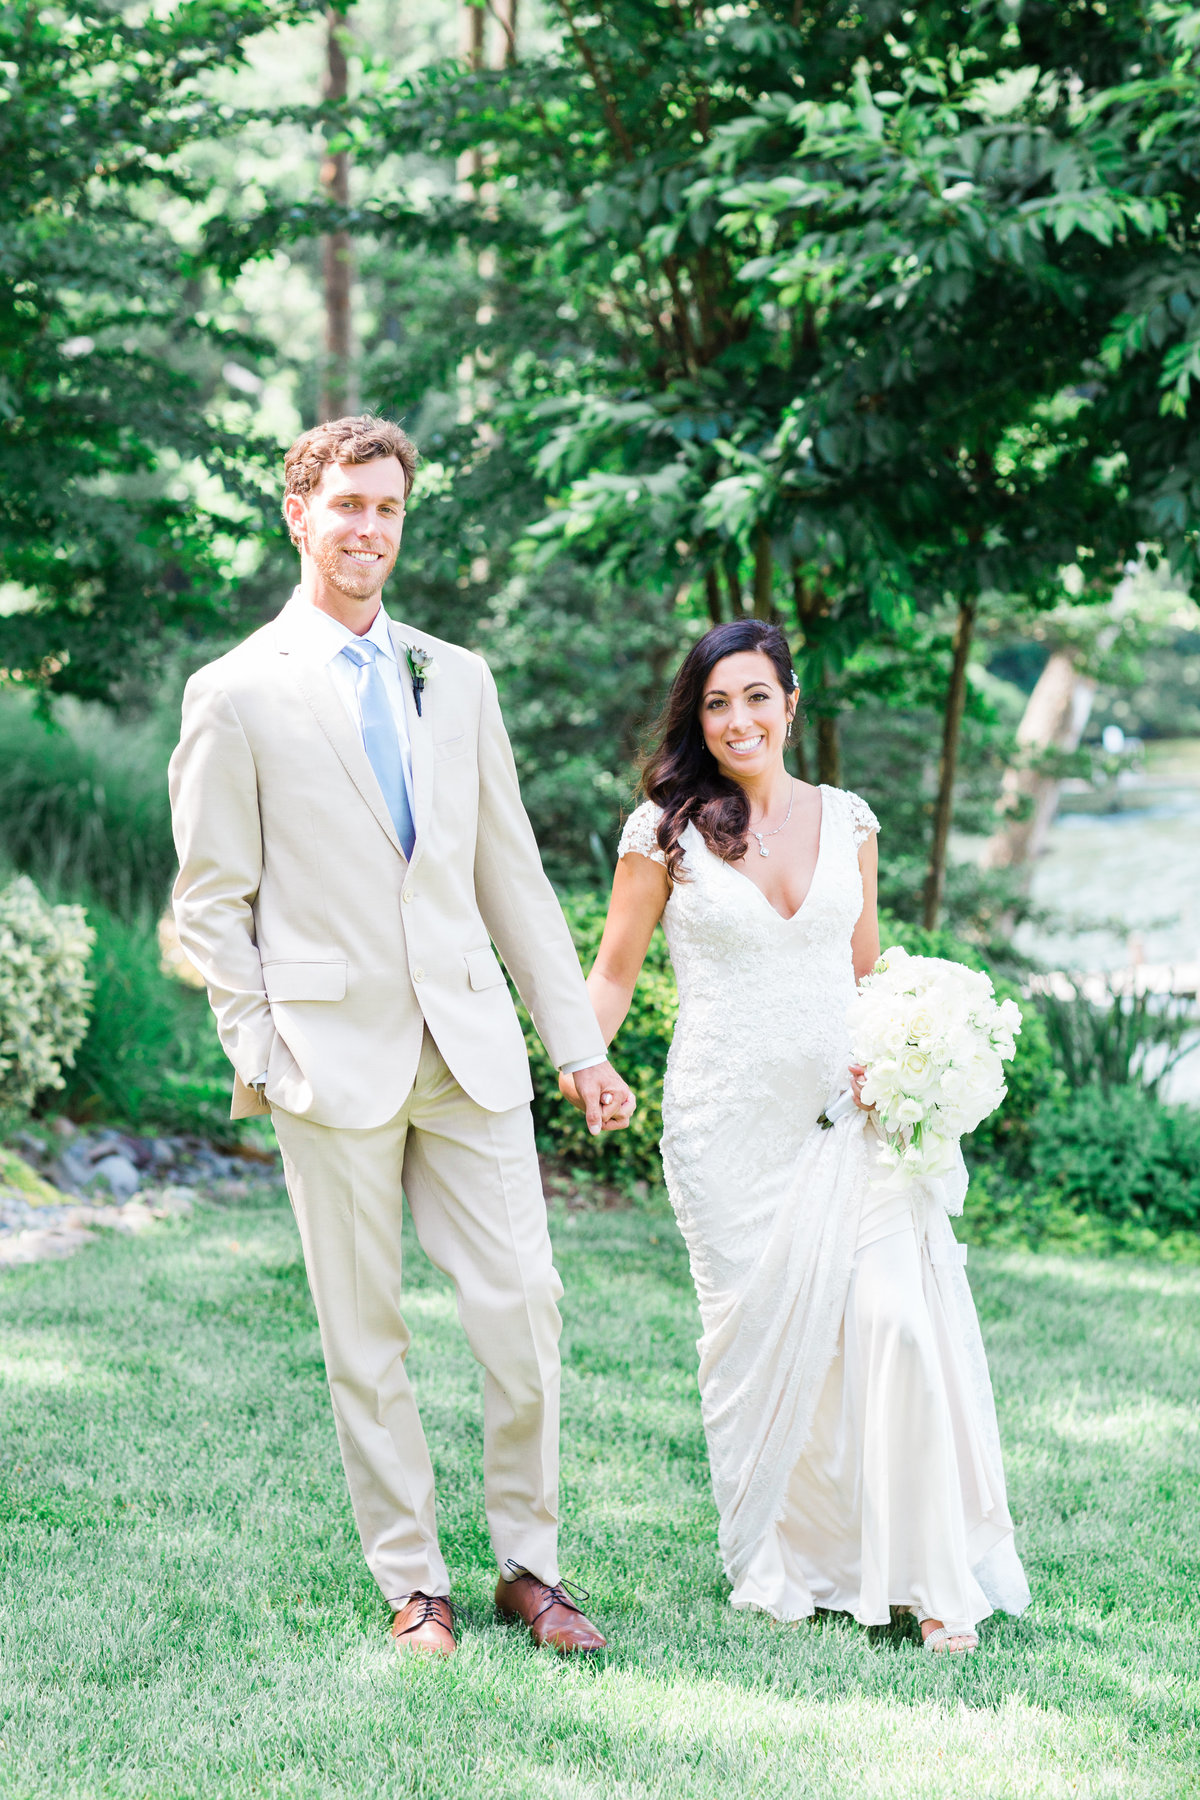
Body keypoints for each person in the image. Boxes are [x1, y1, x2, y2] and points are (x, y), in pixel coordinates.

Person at [169, 414, 635, 1659]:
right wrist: (261, 1051)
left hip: (469, 1046)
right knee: (362, 1330)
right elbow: (209, 904)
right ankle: (414, 1580)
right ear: (301, 516)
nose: (369, 527)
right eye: (348, 506)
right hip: (330, 1059)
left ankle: (528, 1569)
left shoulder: (457, 675)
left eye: (387, 508)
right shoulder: (237, 691)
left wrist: (575, 1044)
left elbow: (513, 878)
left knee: (524, 1306)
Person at [563, 618, 1031, 1653]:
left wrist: (910, 1053)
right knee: (776, 1352)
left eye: (757, 697)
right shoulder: (663, 832)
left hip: (846, 1119)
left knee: (895, 1323)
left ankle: (930, 1575)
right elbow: (612, 972)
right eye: (717, 702)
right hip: (726, 1128)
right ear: (698, 714)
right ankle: (800, 1559)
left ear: (790, 703)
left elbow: (870, 975)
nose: (739, 720)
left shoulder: (849, 821)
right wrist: (578, 1061)